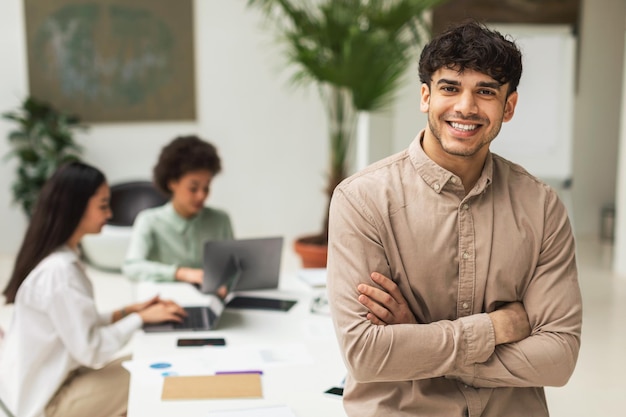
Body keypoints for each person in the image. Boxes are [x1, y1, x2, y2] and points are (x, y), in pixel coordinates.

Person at [326, 20, 582, 417]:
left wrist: (420, 342)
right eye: (450, 87)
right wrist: (496, 329)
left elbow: (559, 357)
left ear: (508, 107)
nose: (466, 107)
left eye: (485, 92)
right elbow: (366, 354)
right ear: (425, 96)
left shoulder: (542, 206)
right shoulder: (363, 199)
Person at [0, 161, 187, 417]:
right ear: (76, 208)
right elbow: (92, 350)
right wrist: (139, 319)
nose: (110, 214)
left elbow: (76, 325)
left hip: (56, 385)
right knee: (155, 375)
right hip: (49, 404)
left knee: (148, 362)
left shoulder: (61, 263)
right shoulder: (59, 274)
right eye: (102, 205)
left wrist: (127, 311)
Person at [122, 135, 234, 284]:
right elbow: (132, 268)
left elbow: (232, 267)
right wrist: (180, 273)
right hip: (166, 301)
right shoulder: (150, 221)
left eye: (206, 187)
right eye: (193, 188)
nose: (201, 196)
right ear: (172, 183)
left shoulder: (220, 220)